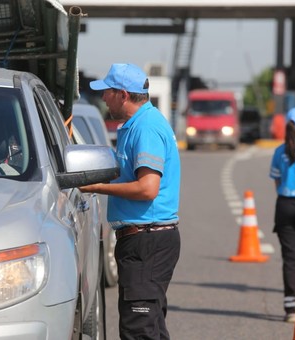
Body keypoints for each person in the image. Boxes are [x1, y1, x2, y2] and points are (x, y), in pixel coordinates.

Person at [80, 63, 181, 339]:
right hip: (144, 240)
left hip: (147, 241)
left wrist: (97, 187)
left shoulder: (146, 128)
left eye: (107, 92)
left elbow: (148, 188)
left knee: (139, 330)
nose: (103, 98)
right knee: (150, 328)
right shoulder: (138, 124)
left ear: (123, 94)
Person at [270, 106, 295, 323]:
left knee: (290, 259)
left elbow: (277, 181)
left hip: (285, 205)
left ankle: (291, 309)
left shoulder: (280, 151)